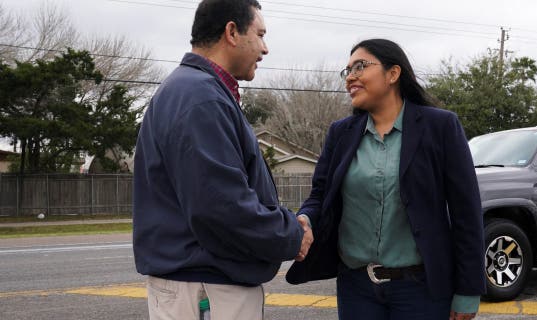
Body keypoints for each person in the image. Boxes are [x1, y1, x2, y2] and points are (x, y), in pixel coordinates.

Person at [132, 0, 313, 319]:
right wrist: (291, 235)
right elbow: (220, 207)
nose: (265, 48)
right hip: (205, 289)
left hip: (198, 283)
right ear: (232, 32)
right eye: (260, 34)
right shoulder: (200, 97)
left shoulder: (193, 90)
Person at [286, 39, 485, 320]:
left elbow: (467, 213)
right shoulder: (340, 133)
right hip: (357, 288)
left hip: (421, 290)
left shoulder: (440, 127)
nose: (351, 77)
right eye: (347, 71)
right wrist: (306, 218)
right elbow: (320, 195)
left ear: (393, 74)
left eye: (360, 66)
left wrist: (468, 291)